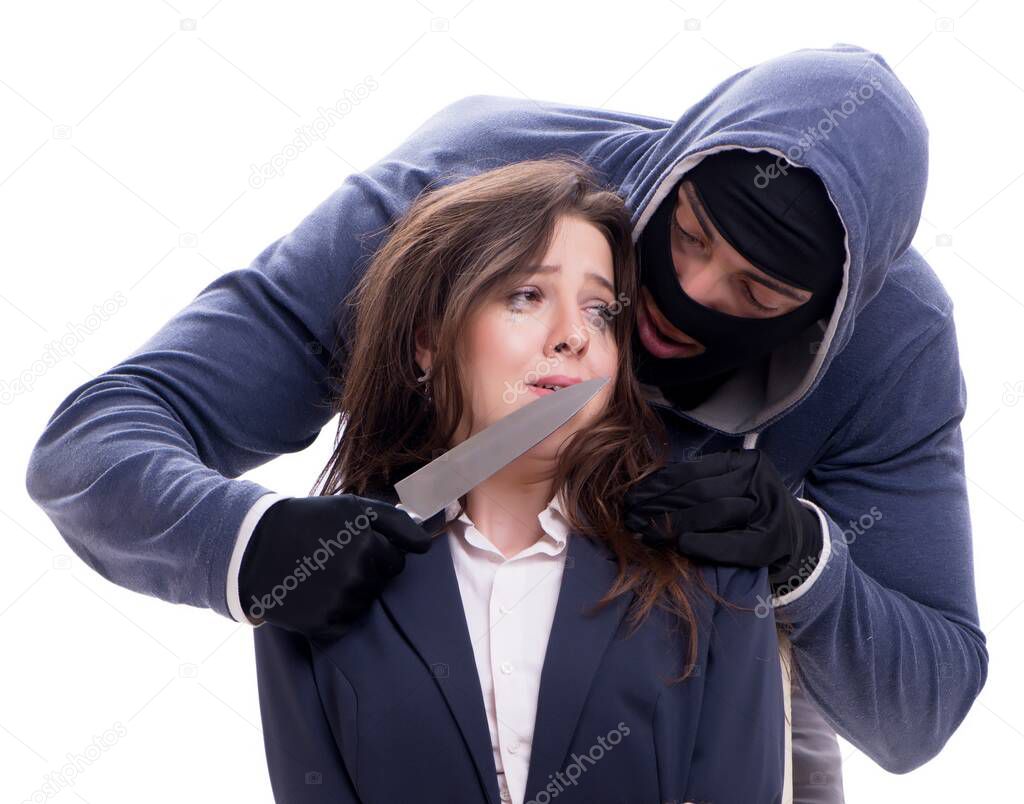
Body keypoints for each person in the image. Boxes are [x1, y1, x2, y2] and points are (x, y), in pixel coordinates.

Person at [25, 44, 987, 801]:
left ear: (826, 317)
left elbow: (923, 711)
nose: (684, 294)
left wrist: (801, 559)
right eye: (688, 237)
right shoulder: (451, 197)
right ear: (424, 340)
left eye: (755, 288)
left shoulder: (894, 344)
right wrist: (248, 542)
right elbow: (91, 444)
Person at [254, 157, 785, 804]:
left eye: (599, 310)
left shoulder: (710, 567)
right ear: (427, 340)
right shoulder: (313, 574)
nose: (573, 337)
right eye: (527, 296)